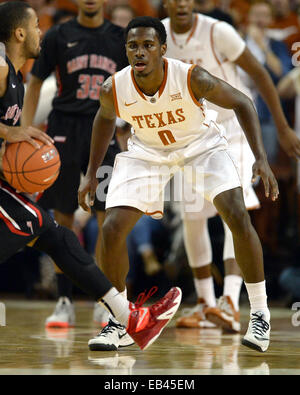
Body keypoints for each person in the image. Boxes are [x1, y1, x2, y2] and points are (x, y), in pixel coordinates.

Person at [79, 16, 279, 353]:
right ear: (126, 50)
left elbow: (243, 102)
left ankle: (259, 313)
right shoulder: (115, 87)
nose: (139, 52)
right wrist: (91, 172)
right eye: (132, 46)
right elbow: (104, 117)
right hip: (147, 152)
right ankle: (120, 320)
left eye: (147, 45)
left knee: (236, 213)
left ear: (162, 49)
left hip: (200, 147)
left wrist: (261, 157)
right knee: (112, 228)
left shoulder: (191, 77)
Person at [0, 1, 181, 352]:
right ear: (20, 33)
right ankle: (130, 318)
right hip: (66, 131)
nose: (41, 30)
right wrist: (10, 134)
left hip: (89, 137)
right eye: (36, 25)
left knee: (55, 234)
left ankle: (129, 319)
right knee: (47, 227)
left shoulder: (16, 76)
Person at [161, 0, 300, 333]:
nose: (181, 3)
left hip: (231, 131)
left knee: (232, 213)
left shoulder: (217, 31)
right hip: (189, 137)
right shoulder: (159, 34)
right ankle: (208, 303)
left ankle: (231, 302)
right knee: (193, 218)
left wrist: (281, 128)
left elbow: (259, 74)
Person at [22, 0, 129, 329]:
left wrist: (129, 129)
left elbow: (134, 86)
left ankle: (105, 300)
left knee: (106, 217)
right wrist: (26, 129)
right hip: (64, 128)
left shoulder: (120, 37)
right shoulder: (57, 34)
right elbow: (36, 82)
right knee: (63, 217)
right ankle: (64, 300)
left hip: (106, 128)